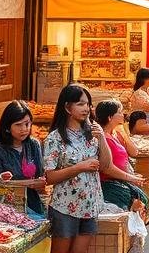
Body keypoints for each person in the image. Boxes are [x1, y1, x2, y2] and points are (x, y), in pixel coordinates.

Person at [43, 83, 115, 252]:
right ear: (67, 107)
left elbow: (106, 166)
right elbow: (49, 178)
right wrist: (79, 167)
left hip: (90, 205)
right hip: (65, 206)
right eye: (80, 104)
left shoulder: (92, 134)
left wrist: (102, 139)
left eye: (88, 104)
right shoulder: (55, 138)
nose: (86, 108)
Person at [0, 101, 46, 215]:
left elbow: (40, 175)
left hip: (34, 202)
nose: (24, 129)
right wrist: (29, 183)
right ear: (7, 127)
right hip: (9, 207)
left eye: (27, 124)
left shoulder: (34, 144)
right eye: (18, 125)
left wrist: (39, 182)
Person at [93, 100, 149, 213]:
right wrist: (130, 177)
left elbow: (134, 152)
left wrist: (123, 131)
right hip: (109, 184)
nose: (123, 114)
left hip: (121, 181)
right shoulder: (102, 139)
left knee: (142, 201)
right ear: (110, 117)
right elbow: (107, 168)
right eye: (119, 112)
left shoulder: (114, 134)